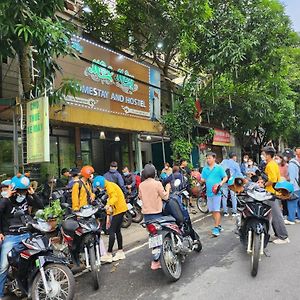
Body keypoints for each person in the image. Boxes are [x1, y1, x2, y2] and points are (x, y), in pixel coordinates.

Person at [0, 174, 44, 299]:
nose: (22, 193)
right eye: (20, 191)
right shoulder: (6, 201)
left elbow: (40, 206)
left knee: (34, 259)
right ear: (13, 189)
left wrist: (32, 193)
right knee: (3, 266)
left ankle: (31, 286)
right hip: (11, 237)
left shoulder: (26, 198)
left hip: (26, 234)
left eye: (24, 191)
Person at [138, 164, 171, 270]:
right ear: (154, 173)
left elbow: (140, 197)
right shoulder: (157, 183)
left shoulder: (141, 185)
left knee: (153, 236)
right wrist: (168, 188)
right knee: (162, 235)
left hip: (147, 215)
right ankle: (161, 258)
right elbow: (165, 197)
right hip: (157, 214)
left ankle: (155, 261)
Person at [92, 176, 128, 263]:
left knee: (112, 231)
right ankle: (120, 251)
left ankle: (109, 254)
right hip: (120, 209)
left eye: (98, 187)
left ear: (100, 184)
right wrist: (108, 214)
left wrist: (108, 204)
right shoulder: (110, 185)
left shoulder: (110, 186)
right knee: (117, 231)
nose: (99, 188)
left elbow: (114, 198)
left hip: (119, 210)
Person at [263, 146, 290, 244]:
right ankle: (278, 235)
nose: (263, 156)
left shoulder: (270, 165)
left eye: (264, 154)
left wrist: (264, 184)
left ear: (268, 155)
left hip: (272, 192)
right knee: (274, 215)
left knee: (276, 215)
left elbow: (273, 179)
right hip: (274, 192)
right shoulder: (272, 163)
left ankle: (283, 237)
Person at [201, 152, 228, 237]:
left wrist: (220, 184)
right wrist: (200, 179)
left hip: (217, 192)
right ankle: (218, 225)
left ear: (214, 158)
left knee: (216, 210)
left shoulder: (219, 168)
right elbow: (203, 179)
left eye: (209, 158)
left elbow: (225, 177)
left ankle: (216, 228)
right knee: (212, 210)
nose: (208, 160)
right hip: (209, 193)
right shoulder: (205, 169)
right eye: (207, 158)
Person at [221, 152, 242, 217]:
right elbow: (239, 174)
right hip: (232, 182)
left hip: (224, 181)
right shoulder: (235, 164)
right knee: (233, 197)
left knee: (224, 197)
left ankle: (225, 212)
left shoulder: (224, 162)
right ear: (234, 157)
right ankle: (234, 212)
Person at [285, 148, 300, 225]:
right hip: (298, 186)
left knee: (291, 203)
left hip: (294, 187)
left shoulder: (291, 164)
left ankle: (291, 219)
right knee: (297, 204)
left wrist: (290, 188)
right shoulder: (297, 163)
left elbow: (292, 178)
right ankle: (298, 218)